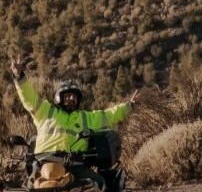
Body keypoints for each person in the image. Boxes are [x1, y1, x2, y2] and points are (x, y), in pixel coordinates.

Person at [8, 56, 137, 155]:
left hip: (75, 167)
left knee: (99, 183)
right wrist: (19, 77)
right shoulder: (46, 110)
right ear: (59, 97)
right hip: (43, 164)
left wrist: (129, 106)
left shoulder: (86, 117)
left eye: (74, 96)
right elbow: (29, 97)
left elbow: (109, 115)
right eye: (68, 95)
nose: (71, 98)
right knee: (27, 188)